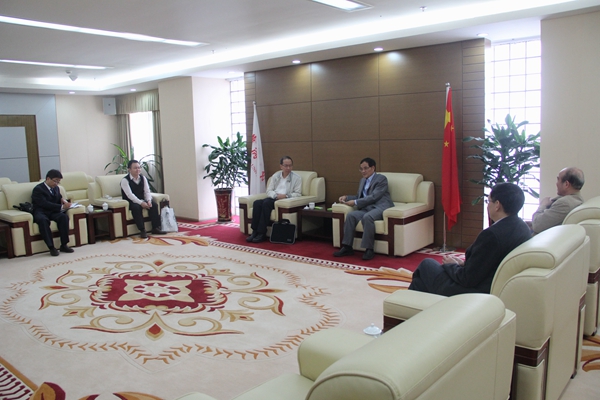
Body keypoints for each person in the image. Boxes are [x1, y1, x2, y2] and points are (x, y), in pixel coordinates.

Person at [409, 182, 531, 296]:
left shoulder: (492, 235)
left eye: (489, 201)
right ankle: (413, 304)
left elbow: (467, 279)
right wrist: (462, 263)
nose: (488, 205)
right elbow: (488, 262)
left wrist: (451, 265)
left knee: (426, 265)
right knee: (421, 282)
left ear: (497, 205)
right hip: (495, 285)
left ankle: (408, 304)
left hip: (475, 292)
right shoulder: (523, 227)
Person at [333, 157, 394, 261]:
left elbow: (374, 197)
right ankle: (347, 247)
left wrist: (355, 202)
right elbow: (359, 197)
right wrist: (346, 197)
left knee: (367, 217)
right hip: (367, 207)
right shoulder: (362, 181)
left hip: (380, 207)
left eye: (365, 168)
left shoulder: (381, 179)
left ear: (373, 168)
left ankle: (369, 249)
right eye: (361, 169)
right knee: (351, 216)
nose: (363, 171)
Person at [246, 156, 302, 243]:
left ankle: (261, 233)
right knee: (257, 203)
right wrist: (275, 196)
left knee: (266, 203)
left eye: (290, 166)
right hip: (273, 197)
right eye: (286, 166)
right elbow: (269, 190)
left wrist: (286, 196)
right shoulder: (276, 176)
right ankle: (255, 231)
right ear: (281, 166)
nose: (288, 168)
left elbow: (298, 193)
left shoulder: (297, 178)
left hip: (283, 200)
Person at [31, 169, 74, 256]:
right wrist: (61, 207)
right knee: (43, 221)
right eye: (55, 181)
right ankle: (51, 247)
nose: (56, 183)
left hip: (53, 211)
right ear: (48, 179)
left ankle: (64, 244)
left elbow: (59, 197)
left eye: (58, 182)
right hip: (41, 211)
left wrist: (64, 201)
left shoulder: (56, 188)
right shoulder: (38, 189)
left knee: (64, 217)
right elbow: (44, 203)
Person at [530, 167, 585, 234]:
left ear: (566, 184)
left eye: (558, 179)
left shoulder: (564, 204)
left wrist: (542, 205)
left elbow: (537, 225)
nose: (556, 183)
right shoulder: (577, 199)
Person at [121, 160, 164, 238]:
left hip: (141, 199)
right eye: (135, 168)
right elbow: (130, 195)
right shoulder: (125, 180)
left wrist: (148, 200)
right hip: (131, 201)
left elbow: (147, 191)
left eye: (139, 167)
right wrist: (141, 203)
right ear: (129, 169)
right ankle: (142, 230)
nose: (138, 170)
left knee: (153, 205)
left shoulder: (143, 178)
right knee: (136, 207)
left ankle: (155, 228)